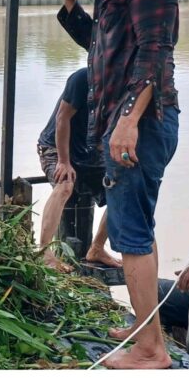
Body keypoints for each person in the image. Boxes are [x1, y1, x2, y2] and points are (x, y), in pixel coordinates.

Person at [58, 0, 180, 369]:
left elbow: (155, 50)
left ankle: (151, 349)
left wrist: (128, 119)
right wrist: (71, 5)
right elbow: (101, 48)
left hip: (141, 123)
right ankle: (144, 323)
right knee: (138, 229)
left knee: (130, 234)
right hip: (129, 122)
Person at [38, 67, 121, 272]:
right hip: (56, 147)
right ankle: (44, 252)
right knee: (65, 183)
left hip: (91, 151)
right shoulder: (83, 78)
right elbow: (62, 118)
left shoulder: (127, 86)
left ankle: (97, 248)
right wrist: (64, 161)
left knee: (123, 190)